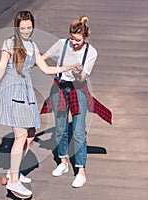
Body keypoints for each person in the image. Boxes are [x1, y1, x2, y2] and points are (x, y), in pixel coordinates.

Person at [0, 10, 81, 196]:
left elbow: (47, 69)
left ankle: (12, 172)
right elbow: (1, 69)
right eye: (23, 28)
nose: (26, 31)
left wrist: (69, 67)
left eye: (29, 27)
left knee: (31, 134)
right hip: (12, 90)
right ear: (17, 27)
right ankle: (14, 181)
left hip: (26, 91)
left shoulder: (32, 45)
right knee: (20, 136)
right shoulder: (9, 43)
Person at [41, 16, 112, 188]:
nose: (74, 43)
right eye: (72, 38)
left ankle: (81, 171)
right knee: (60, 128)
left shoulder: (91, 53)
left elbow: (81, 79)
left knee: (79, 132)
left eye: (78, 40)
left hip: (78, 89)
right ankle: (63, 162)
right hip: (59, 88)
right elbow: (43, 58)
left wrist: (76, 72)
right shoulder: (61, 44)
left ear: (85, 38)